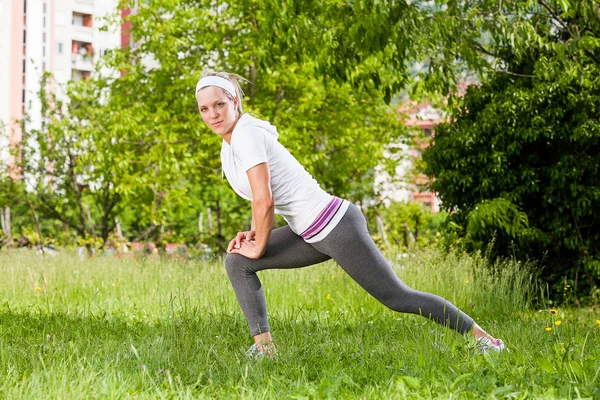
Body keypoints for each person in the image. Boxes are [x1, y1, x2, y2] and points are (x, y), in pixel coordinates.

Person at [194, 71, 507, 357]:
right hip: (309, 231)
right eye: (204, 109)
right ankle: (265, 350)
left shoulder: (246, 134)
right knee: (238, 260)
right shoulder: (230, 145)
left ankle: (487, 341)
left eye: (219, 104)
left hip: (335, 226)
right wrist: (253, 235)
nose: (212, 114)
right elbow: (262, 199)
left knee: (397, 297)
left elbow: (265, 200)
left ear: (234, 101)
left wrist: (259, 244)